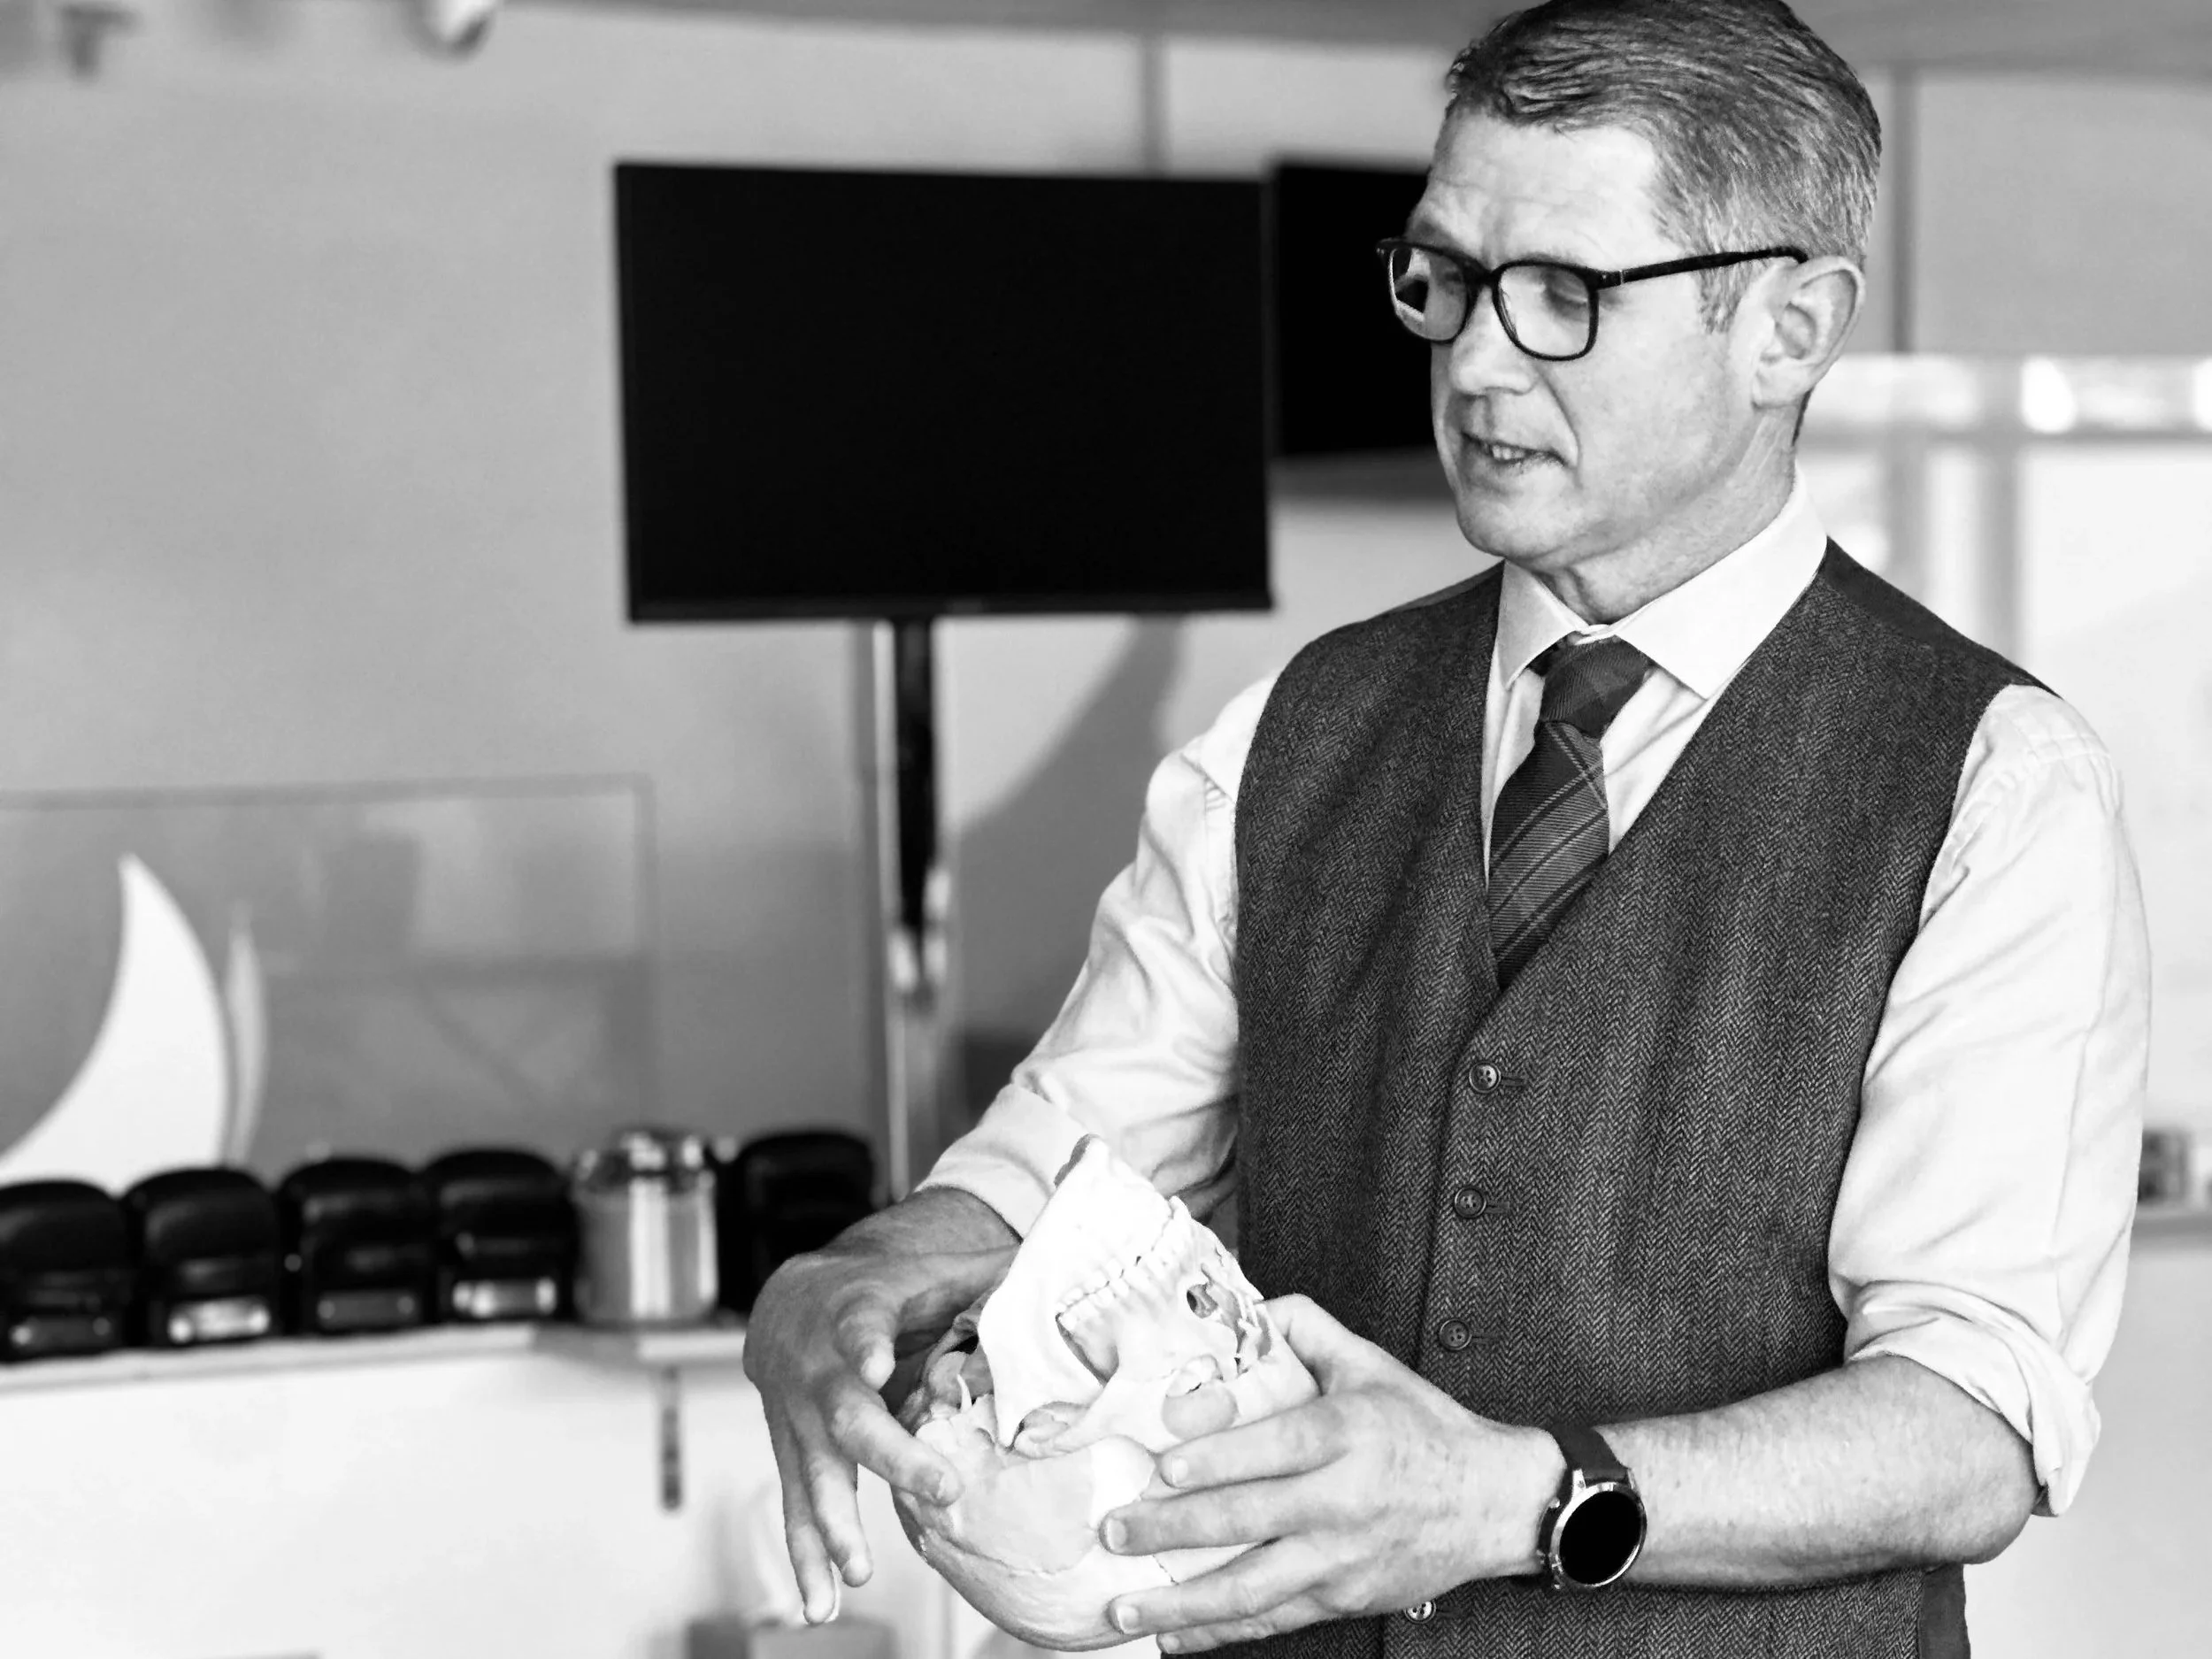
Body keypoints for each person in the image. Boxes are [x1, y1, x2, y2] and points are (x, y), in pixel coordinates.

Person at [743, 2, 2149, 1655]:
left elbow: (1971, 1426)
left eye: (1565, 295)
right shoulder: (1290, 734)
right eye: (1447, 278)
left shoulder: (1995, 780)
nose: (1476, 359)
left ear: (1786, 326)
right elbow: (1057, 1173)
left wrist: (1512, 1497)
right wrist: (837, 1279)